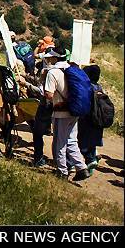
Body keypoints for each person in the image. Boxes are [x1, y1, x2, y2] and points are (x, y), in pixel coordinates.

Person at [42, 46, 90, 181]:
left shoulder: (53, 72)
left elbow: (49, 95)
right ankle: (82, 168)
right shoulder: (73, 69)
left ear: (55, 58)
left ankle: (62, 171)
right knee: (72, 141)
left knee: (59, 142)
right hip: (74, 110)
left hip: (60, 112)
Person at [78, 64, 104, 175]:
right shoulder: (99, 87)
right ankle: (91, 163)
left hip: (87, 118)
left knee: (82, 141)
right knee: (92, 141)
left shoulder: (87, 87)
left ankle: (90, 159)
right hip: (98, 118)